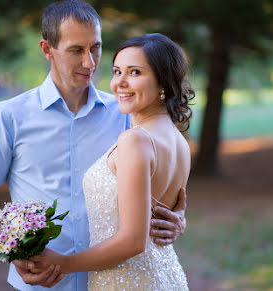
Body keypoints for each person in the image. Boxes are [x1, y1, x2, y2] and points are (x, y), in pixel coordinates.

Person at [0, 1, 187, 290]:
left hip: (113, 276)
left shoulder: (125, 113)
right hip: (41, 283)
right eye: (76, 50)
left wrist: (176, 217)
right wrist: (11, 251)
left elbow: (158, 178)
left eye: (95, 47)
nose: (90, 62)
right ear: (47, 50)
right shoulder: (8, 116)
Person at [23, 33, 193, 290]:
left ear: (163, 83)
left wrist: (62, 263)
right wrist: (180, 219)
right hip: (165, 276)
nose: (120, 83)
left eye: (135, 72)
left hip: (129, 281)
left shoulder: (135, 140)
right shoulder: (178, 140)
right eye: (117, 71)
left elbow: (133, 241)